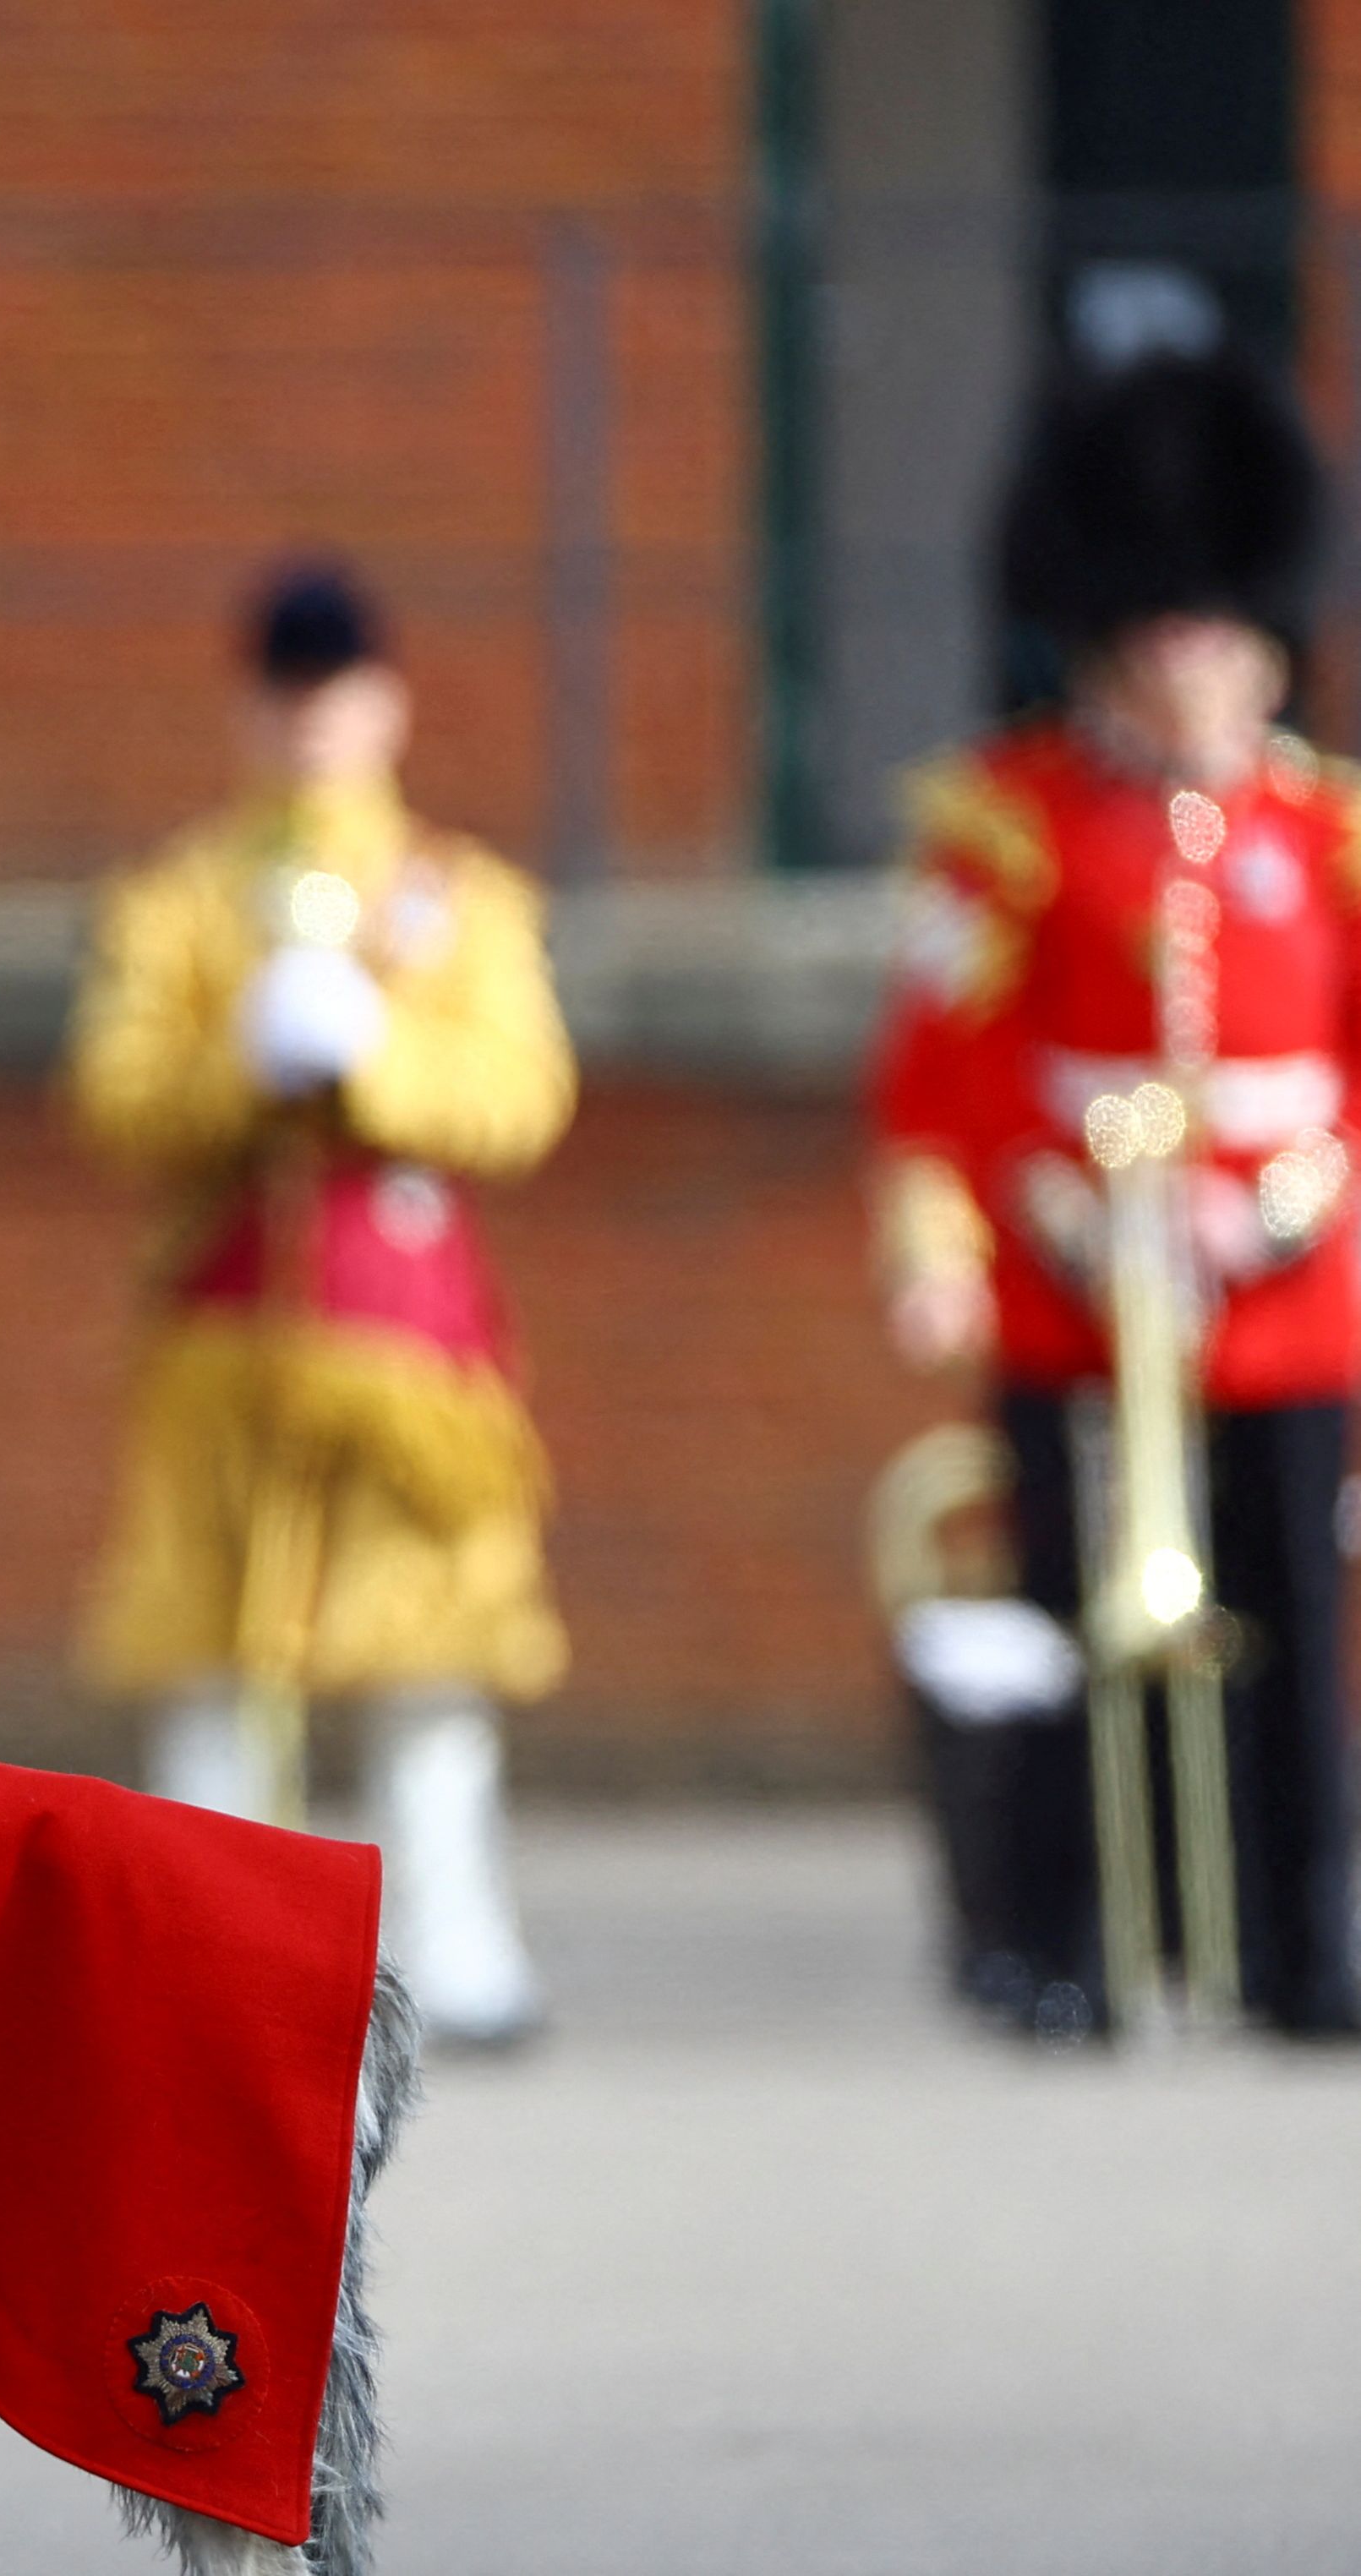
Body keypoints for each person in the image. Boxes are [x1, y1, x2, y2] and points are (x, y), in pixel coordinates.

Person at [866, 352, 1361, 2040]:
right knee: (1060, 1619)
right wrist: (997, 1242)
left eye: (1209, 631)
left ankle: (1306, 1937)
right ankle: (1060, 1941)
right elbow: (944, 1081)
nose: (1187, 660)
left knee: (1293, 1619)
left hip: (1280, 1299)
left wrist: (1278, 1207)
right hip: (1071, 1280)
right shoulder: (1006, 829)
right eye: (1159, 632)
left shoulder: (1323, 829)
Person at [65, 563, 575, 2049]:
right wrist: (242, 1062)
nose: (312, 723)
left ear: (386, 705)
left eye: (337, 693)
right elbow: (117, 1091)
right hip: (231, 1332)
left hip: (409, 1337)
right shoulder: (181, 903)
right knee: (215, 1659)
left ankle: (452, 1951)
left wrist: (375, 1060)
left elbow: (521, 1093)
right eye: (288, 696)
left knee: (429, 1661)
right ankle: (201, 1951)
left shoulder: (460, 901)